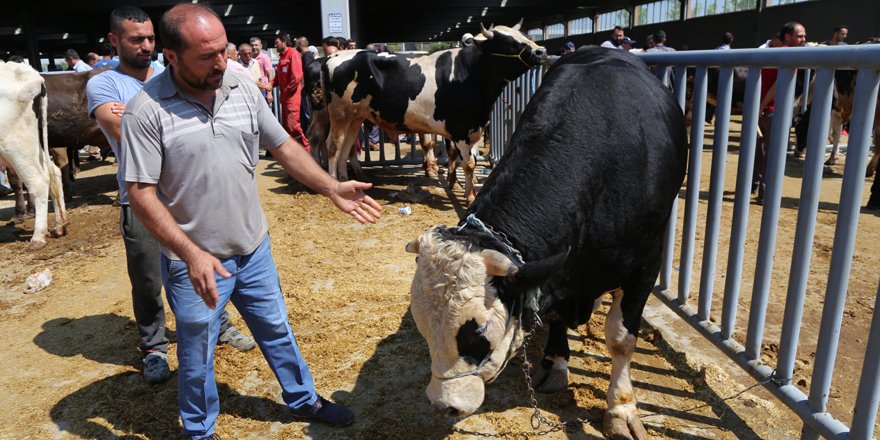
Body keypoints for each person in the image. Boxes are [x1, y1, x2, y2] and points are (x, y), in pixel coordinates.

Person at [119, 4, 382, 437]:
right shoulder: (145, 111)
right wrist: (190, 253)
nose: (221, 63)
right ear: (172, 56)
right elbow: (140, 194)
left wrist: (331, 186)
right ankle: (199, 430)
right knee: (197, 352)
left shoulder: (240, 86)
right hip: (195, 263)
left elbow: (283, 146)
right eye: (206, 56)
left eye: (223, 50)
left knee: (276, 328)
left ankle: (303, 398)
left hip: (252, 247)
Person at [86, 5, 256, 385]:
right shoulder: (103, 84)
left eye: (150, 38)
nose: (146, 46)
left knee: (209, 264)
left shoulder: (171, 72)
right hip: (141, 198)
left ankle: (220, 324)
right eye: (136, 39)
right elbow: (123, 131)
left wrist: (143, 114)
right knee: (148, 279)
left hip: (189, 195)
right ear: (114, 40)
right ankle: (154, 347)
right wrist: (157, 116)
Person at [753, 21, 807, 204]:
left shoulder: (770, 53)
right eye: (800, 36)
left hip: (762, 111)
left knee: (759, 151)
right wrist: (762, 106)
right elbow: (778, 85)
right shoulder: (790, 56)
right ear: (788, 37)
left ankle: (753, 184)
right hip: (773, 110)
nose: (803, 39)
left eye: (804, 36)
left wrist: (758, 107)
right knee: (773, 155)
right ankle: (765, 194)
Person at [273, 33, 309, 151]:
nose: (275, 45)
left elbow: (296, 77)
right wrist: (268, 85)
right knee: (287, 127)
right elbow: (277, 78)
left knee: (293, 126)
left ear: (284, 42)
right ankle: (296, 152)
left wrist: (286, 93)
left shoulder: (293, 54)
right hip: (285, 99)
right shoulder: (282, 56)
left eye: (277, 43)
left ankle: (306, 152)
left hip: (292, 98)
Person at [249, 36, 274, 104]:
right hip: (250, 90)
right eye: (252, 45)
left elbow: (270, 75)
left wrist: (269, 93)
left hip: (261, 90)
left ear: (260, 46)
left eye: (256, 45)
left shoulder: (264, 57)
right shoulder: (248, 57)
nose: (254, 47)